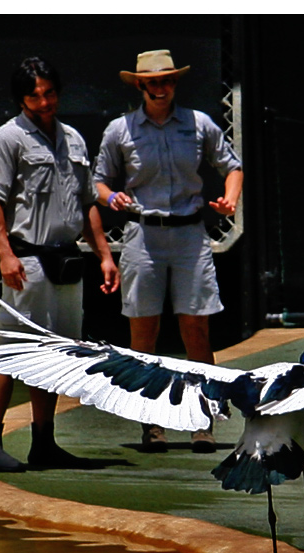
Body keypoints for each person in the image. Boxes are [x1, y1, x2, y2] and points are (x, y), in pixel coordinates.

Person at [0, 56, 120, 472]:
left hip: (67, 260)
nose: (44, 101)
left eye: (49, 92)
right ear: (21, 99)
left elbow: (87, 202)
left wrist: (105, 256)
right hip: (28, 260)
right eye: (34, 95)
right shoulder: (7, 138)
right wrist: (4, 254)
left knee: (56, 354)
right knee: (10, 350)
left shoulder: (72, 138)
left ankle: (44, 442)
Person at [93, 49, 243, 453]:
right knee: (144, 330)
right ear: (140, 85)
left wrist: (229, 199)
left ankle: (202, 418)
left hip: (190, 235)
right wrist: (112, 200)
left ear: (176, 83)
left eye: (168, 80)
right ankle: (151, 421)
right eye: (153, 82)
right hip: (143, 235)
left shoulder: (199, 124)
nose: (161, 87)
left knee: (196, 327)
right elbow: (100, 182)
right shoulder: (119, 130)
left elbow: (232, 166)